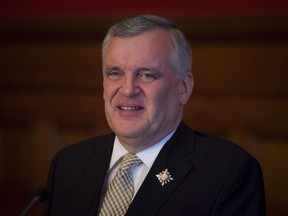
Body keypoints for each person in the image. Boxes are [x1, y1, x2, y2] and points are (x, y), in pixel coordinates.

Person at [44, 15, 265, 216]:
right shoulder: (68, 164)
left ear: (184, 88)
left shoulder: (228, 173)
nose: (128, 89)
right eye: (115, 73)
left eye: (147, 75)